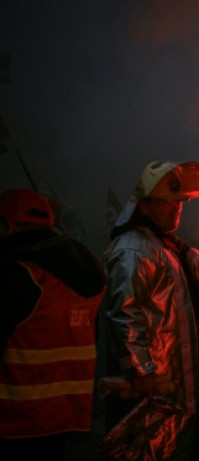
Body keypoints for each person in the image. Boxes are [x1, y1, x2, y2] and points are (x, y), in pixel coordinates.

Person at [95, 160, 199, 460]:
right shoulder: (134, 249)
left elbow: (167, 297)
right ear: (145, 206)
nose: (176, 209)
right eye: (167, 203)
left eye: (179, 203)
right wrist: (141, 370)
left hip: (179, 375)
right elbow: (124, 314)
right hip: (155, 380)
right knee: (148, 449)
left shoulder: (164, 245)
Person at [0, 188, 107, 458]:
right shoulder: (87, 269)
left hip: (16, 418)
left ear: (6, 225)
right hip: (67, 414)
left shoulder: (20, 273)